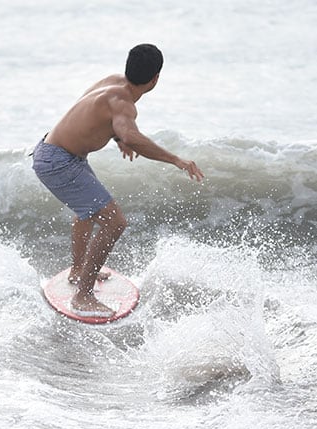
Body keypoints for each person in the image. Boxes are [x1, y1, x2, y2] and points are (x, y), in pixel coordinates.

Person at [32, 43, 204, 318]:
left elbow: (90, 111)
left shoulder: (111, 83)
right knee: (115, 222)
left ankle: (78, 272)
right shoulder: (124, 104)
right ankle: (83, 296)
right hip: (59, 161)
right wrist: (176, 160)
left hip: (53, 151)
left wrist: (117, 136)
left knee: (88, 209)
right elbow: (132, 135)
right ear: (155, 79)